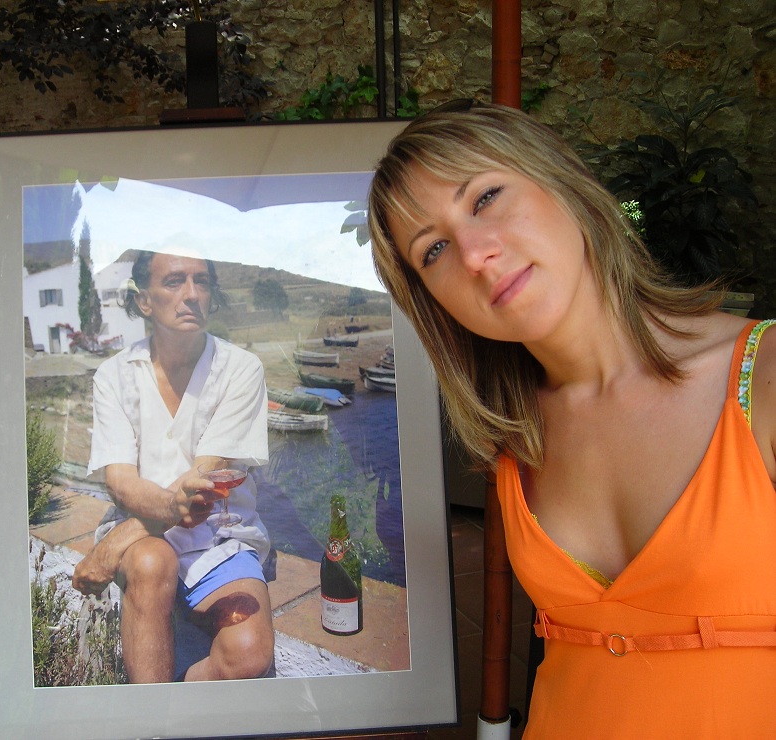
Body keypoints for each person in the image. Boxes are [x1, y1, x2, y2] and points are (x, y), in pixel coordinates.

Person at [367, 104, 776, 737]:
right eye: (435, 249)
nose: (475, 255)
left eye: (485, 198)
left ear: (562, 181)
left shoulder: (764, 376)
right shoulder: (516, 438)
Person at [72, 250, 275, 684]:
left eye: (202, 281)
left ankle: (175, 701)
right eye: (174, 281)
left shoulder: (240, 370)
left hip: (219, 534)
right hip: (145, 535)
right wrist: (148, 520)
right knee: (151, 563)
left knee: (248, 654)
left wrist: (114, 543)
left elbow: (206, 481)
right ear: (144, 300)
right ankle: (154, 712)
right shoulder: (114, 376)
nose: (191, 294)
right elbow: (120, 481)